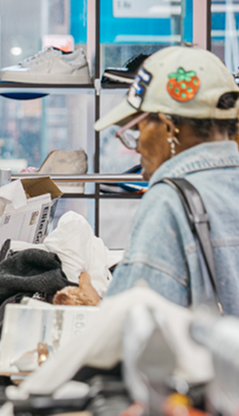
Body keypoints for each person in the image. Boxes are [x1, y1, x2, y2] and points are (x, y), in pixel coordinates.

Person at [93, 46, 239, 315]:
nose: (136, 147)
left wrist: (98, 309)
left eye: (137, 129)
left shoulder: (169, 202)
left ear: (169, 128)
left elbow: (133, 328)